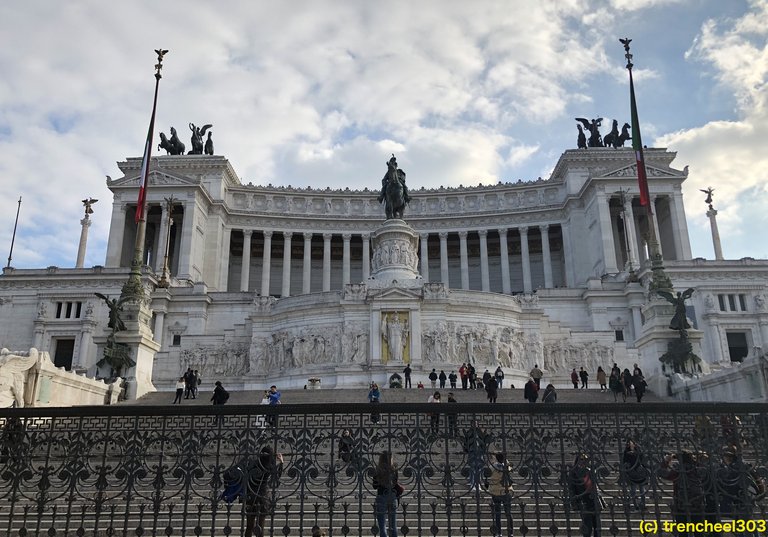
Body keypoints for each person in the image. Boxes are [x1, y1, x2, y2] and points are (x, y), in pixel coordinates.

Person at [658, 450, 705, 536]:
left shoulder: (678, 470)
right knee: (699, 532)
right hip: (697, 504)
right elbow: (707, 472)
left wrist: (666, 461)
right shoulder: (696, 468)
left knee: (683, 532)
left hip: (681, 504)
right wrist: (698, 459)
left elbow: (663, 473)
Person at [243, 446, 284, 537]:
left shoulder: (254, 464)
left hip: (251, 496)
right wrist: (281, 462)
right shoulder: (269, 466)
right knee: (261, 526)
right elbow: (276, 477)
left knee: (249, 526)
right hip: (263, 497)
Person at [568, 453, 602, 537]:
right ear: (577, 460)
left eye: (585, 459)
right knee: (587, 527)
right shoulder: (574, 472)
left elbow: (595, 485)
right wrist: (574, 503)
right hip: (583, 501)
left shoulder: (590, 470)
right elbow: (571, 488)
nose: (583, 461)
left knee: (597, 526)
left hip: (594, 501)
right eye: (581, 459)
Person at [372, 451, 400, 537]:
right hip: (392, 496)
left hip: (381, 496)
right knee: (393, 525)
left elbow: (374, 486)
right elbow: (395, 483)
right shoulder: (394, 468)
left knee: (382, 526)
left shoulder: (378, 469)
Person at [487, 452, 514, 537]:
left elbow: (488, 477)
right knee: (508, 513)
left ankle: (499, 533)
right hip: (506, 491)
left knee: (497, 514)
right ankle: (511, 532)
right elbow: (510, 469)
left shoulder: (492, 467)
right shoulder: (507, 467)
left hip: (495, 492)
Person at [621, 440, 648, 512]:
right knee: (633, 491)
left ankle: (643, 505)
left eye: (630, 443)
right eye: (628, 443)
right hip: (632, 473)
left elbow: (643, 459)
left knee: (642, 490)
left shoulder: (638, 451)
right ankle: (635, 506)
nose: (628, 444)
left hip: (640, 472)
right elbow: (624, 461)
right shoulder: (626, 452)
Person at [464, 420, 490, 492]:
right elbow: (466, 442)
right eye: (474, 423)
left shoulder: (480, 432)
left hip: (480, 451)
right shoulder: (469, 432)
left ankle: (479, 484)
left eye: (476, 423)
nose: (475, 425)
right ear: (471, 424)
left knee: (480, 468)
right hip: (472, 451)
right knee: (473, 468)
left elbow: (484, 440)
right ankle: (472, 484)